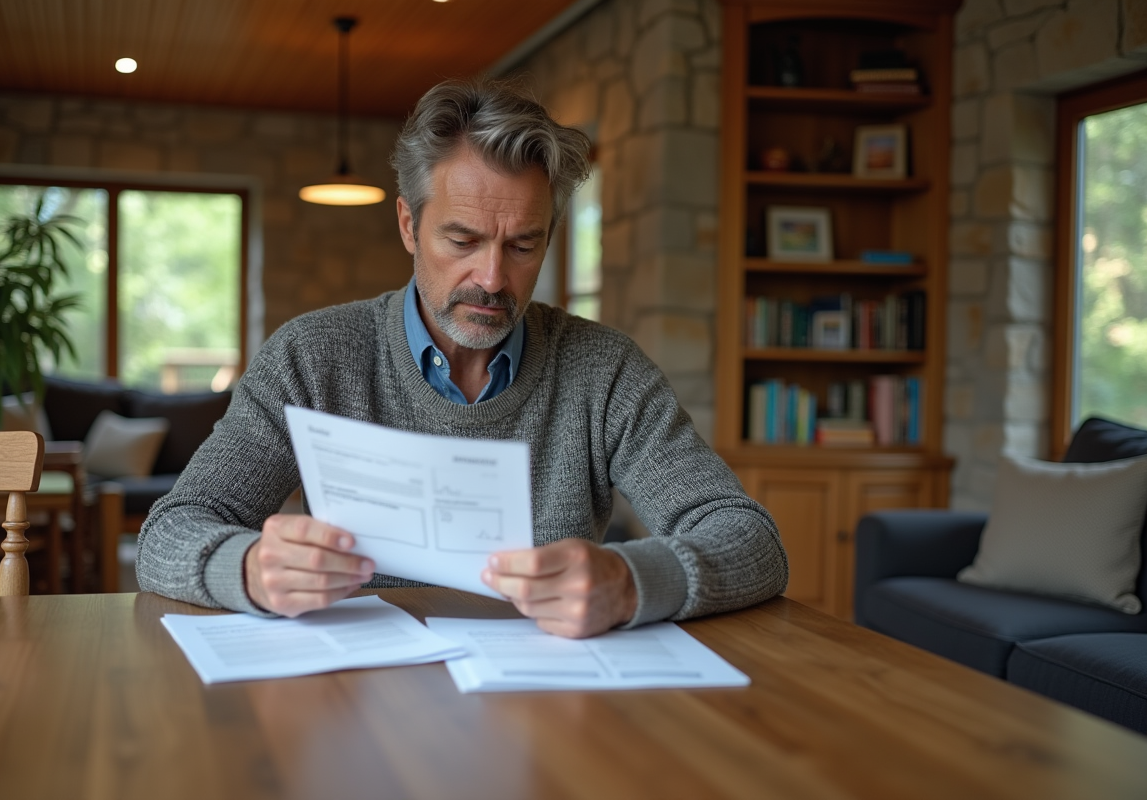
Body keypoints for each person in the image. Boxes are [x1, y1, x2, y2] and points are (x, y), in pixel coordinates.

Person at [137, 78, 787, 638]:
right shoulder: (311, 358)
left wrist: (631, 581)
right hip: (356, 704)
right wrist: (249, 569)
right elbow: (170, 532)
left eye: (524, 245)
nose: (494, 278)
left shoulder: (604, 371)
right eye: (463, 239)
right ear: (408, 226)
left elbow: (750, 539)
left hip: (548, 710)